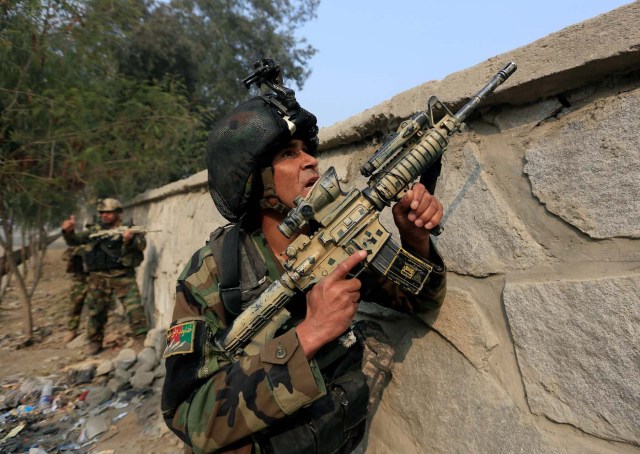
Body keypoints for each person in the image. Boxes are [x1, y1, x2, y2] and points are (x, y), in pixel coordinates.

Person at [161, 94, 446, 453]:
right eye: (288, 154)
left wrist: (415, 238)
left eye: (307, 150)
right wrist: (310, 334)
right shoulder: (212, 273)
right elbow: (188, 416)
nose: (311, 161)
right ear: (254, 179)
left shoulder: (331, 236)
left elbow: (421, 300)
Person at [61, 198, 148, 355]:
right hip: (98, 277)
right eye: (102, 213)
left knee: (134, 308)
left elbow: (141, 245)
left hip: (122, 276)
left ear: (117, 213)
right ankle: (94, 342)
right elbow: (74, 241)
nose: (105, 215)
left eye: (108, 212)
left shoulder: (130, 228)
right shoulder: (93, 230)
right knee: (96, 311)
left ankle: (140, 339)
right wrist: (68, 231)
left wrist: (129, 240)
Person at [61, 243, 89, 343]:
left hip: (96, 278)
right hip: (79, 280)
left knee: (97, 306)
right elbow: (64, 256)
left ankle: (93, 330)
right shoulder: (78, 244)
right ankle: (72, 330)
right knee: (75, 306)